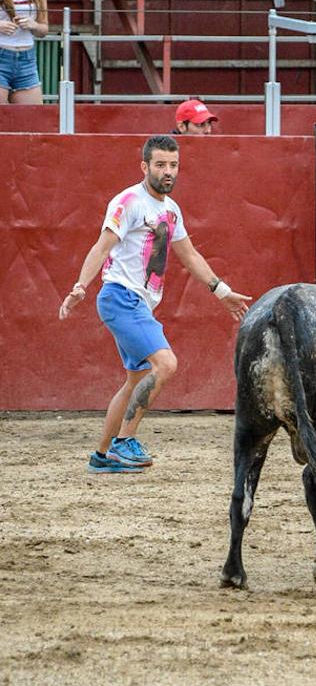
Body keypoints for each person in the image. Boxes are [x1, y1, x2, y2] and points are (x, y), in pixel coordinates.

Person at [58, 134, 251, 474]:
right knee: (166, 364)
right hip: (121, 297)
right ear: (145, 166)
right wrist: (80, 286)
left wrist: (222, 292)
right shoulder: (129, 201)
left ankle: (102, 456)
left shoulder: (170, 210)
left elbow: (188, 254)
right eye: (160, 165)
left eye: (173, 165)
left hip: (139, 304)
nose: (168, 172)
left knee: (135, 380)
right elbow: (102, 246)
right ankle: (123, 442)